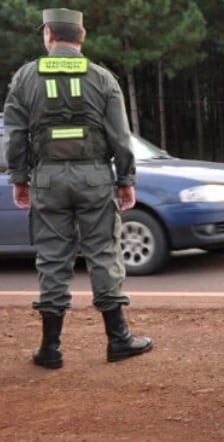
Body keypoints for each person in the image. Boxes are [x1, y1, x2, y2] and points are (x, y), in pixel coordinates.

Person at [3, 8, 152, 369]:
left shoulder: (25, 77)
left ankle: (50, 349)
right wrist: (126, 180)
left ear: (50, 36)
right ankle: (118, 340)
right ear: (80, 38)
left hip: (48, 180)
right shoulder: (102, 78)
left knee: (53, 258)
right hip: (95, 178)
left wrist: (20, 179)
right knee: (103, 252)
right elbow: (120, 137)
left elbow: (16, 135)